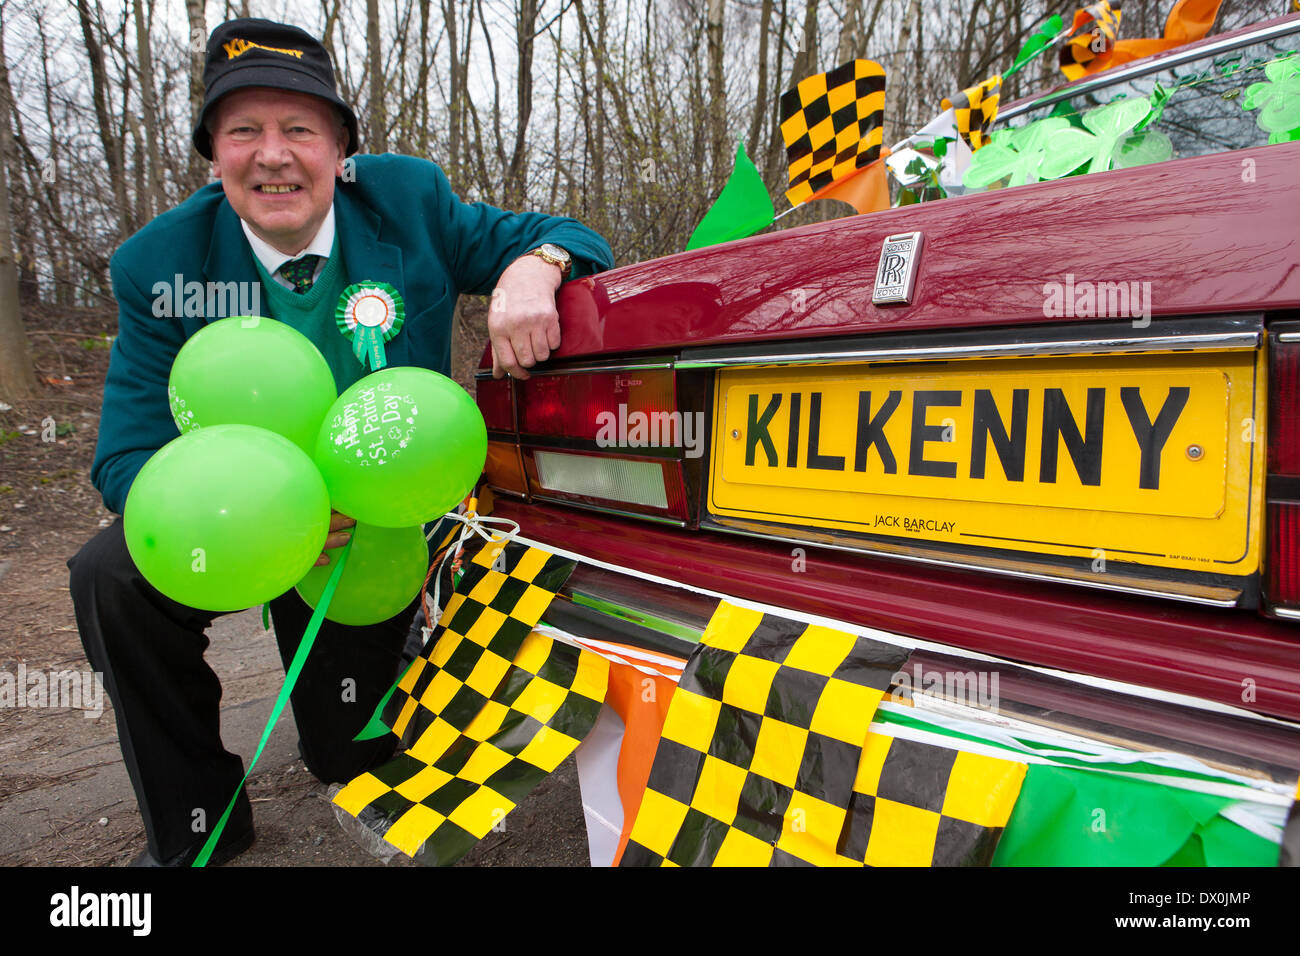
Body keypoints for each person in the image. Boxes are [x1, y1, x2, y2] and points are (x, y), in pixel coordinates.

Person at [66, 17, 613, 866]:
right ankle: (196, 822)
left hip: (371, 529)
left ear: (338, 149)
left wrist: (534, 264)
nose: (272, 154)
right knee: (110, 578)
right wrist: (240, 512)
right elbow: (125, 456)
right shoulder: (159, 264)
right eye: (243, 129)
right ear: (214, 153)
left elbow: (574, 237)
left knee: (345, 752)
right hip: (232, 516)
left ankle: (358, 711)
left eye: (299, 129)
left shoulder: (410, 202)